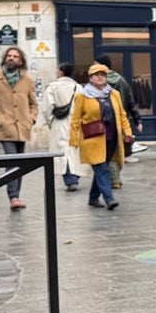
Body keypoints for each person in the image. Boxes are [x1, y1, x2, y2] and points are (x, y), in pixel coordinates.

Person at [0, 45, 37, 211]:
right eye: (9, 56)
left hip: (23, 127)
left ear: (21, 61)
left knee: (20, 163)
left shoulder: (27, 80)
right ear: (5, 58)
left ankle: (16, 196)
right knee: (12, 160)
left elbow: (33, 103)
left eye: (15, 56)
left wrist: (31, 119)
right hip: (5, 128)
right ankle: (13, 197)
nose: (11, 58)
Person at [69, 62, 132, 210]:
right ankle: (109, 198)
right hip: (92, 138)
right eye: (96, 75)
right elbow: (75, 119)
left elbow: (122, 115)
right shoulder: (82, 96)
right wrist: (73, 140)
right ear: (90, 78)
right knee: (102, 168)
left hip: (111, 138)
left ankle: (93, 198)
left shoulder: (114, 94)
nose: (100, 78)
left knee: (101, 168)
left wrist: (127, 132)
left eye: (102, 75)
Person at [43, 62, 83, 192]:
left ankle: (70, 178)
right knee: (73, 150)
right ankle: (75, 175)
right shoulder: (78, 88)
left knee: (63, 151)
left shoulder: (52, 88)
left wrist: (50, 122)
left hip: (59, 123)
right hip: (75, 122)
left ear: (60, 72)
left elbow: (47, 108)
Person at [97, 56, 145, 162]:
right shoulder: (121, 80)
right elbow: (130, 102)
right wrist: (137, 121)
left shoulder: (95, 83)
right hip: (119, 117)